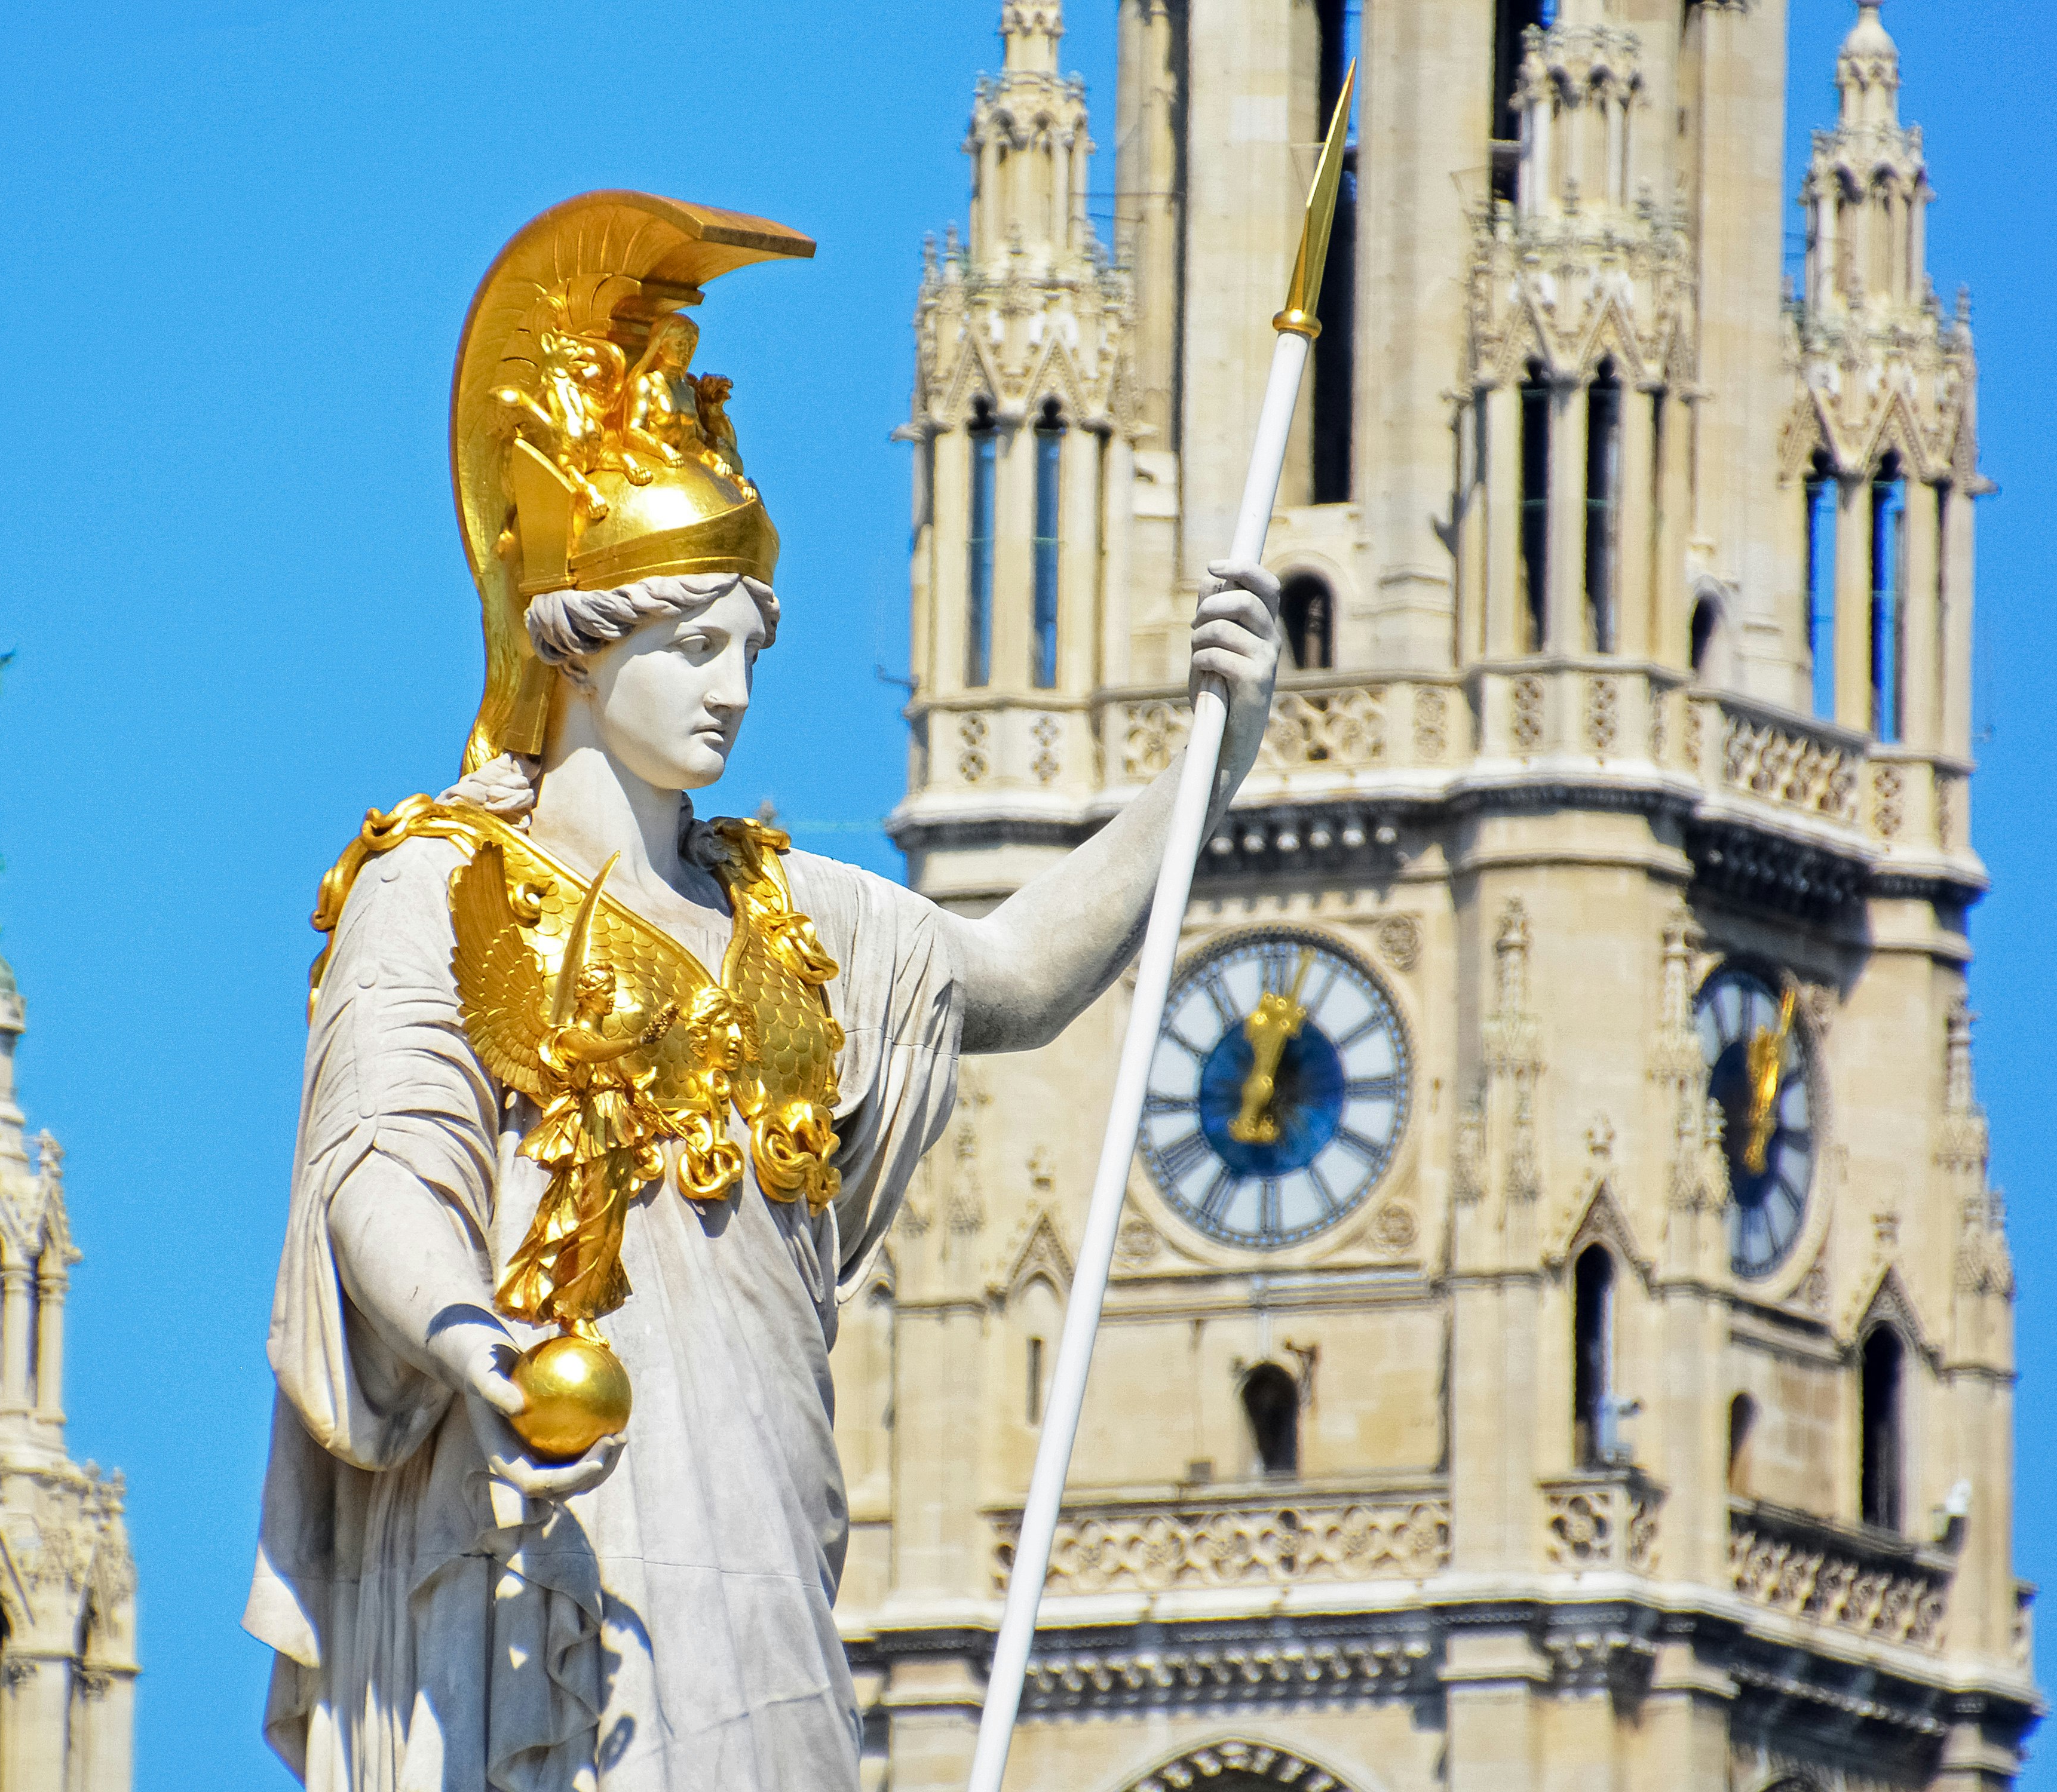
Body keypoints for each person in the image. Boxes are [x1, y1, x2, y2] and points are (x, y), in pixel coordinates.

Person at [244, 191, 1282, 1792]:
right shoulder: (441, 882)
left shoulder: (793, 914)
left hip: (763, 1524)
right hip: (557, 1504)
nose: (734, 686)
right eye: (696, 644)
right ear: (586, 644)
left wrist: (1207, 770)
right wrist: (472, 1343)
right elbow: (380, 1163)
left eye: (752, 647)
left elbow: (1019, 974)